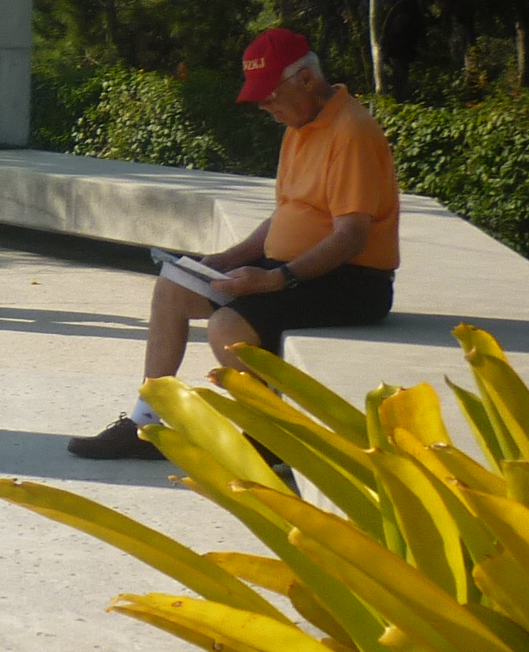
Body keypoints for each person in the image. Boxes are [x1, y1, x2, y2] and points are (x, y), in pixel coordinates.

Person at [68, 27, 399, 461]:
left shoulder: (351, 131)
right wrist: (227, 259)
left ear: (305, 79)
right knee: (173, 287)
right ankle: (147, 423)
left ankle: (269, 439)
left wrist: (276, 280)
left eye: (269, 94)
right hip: (295, 270)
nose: (263, 106)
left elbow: (351, 237)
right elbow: (287, 214)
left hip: (352, 281)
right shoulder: (299, 125)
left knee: (228, 326)